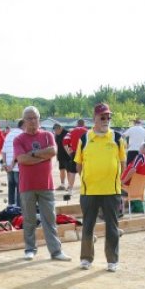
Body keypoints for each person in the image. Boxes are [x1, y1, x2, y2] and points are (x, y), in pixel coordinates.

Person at [75, 102, 127, 271]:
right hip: (89, 190)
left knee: (112, 226)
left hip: (111, 190)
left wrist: (117, 181)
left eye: (108, 117)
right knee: (88, 224)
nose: (106, 120)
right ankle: (86, 258)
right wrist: (89, 177)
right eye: (102, 117)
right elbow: (78, 164)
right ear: (94, 119)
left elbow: (123, 163)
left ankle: (112, 260)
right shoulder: (84, 138)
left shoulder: (117, 138)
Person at [15, 106, 70, 261]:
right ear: (24, 121)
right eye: (29, 118)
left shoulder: (47, 135)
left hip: (46, 185)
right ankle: (30, 248)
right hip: (27, 185)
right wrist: (42, 156)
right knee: (29, 219)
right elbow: (21, 159)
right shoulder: (19, 139)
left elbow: (53, 151)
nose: (32, 121)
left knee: (50, 219)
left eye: (35, 118)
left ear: (39, 119)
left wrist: (32, 154)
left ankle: (56, 251)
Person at [3, 119, 24, 206]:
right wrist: (12, 164)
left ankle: (10, 206)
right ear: (23, 125)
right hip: (17, 167)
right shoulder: (22, 135)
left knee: (11, 188)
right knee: (20, 189)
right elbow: (17, 152)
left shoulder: (9, 134)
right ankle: (18, 209)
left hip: (8, 166)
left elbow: (3, 151)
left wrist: (5, 164)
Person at [64, 118, 87, 190]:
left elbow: (65, 141)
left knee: (72, 172)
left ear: (77, 124)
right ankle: (85, 187)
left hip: (74, 153)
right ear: (84, 124)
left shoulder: (71, 131)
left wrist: (69, 152)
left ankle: (70, 189)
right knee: (84, 171)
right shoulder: (88, 132)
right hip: (85, 153)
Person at [53, 122, 72, 189]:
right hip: (60, 155)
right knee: (61, 170)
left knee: (69, 171)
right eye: (54, 130)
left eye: (56, 130)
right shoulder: (57, 135)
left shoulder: (67, 133)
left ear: (60, 128)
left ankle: (70, 185)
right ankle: (62, 185)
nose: (55, 132)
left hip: (68, 156)